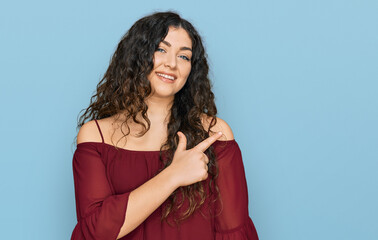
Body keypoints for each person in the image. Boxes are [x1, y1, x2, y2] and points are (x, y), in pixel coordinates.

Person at [71, 11, 259, 240]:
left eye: (184, 56)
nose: (171, 64)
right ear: (137, 55)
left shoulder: (214, 134)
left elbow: (234, 233)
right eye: (161, 49)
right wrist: (173, 175)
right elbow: (95, 232)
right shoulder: (96, 136)